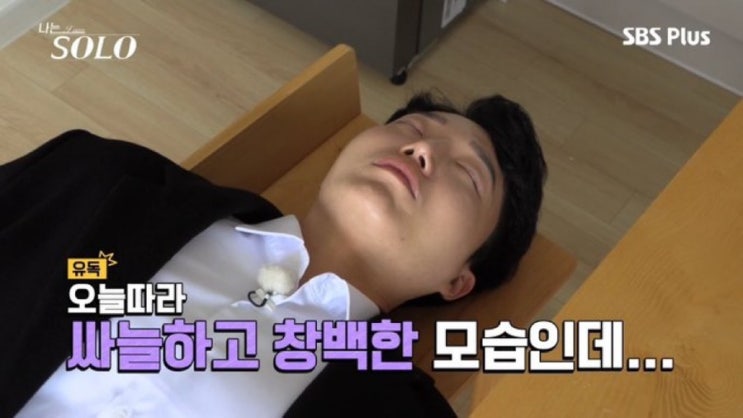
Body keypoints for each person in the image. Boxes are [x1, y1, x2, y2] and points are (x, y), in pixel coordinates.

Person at [0, 92, 546, 417]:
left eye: (467, 173)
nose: (420, 148)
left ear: (458, 282)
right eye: (410, 128)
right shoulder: (110, 180)